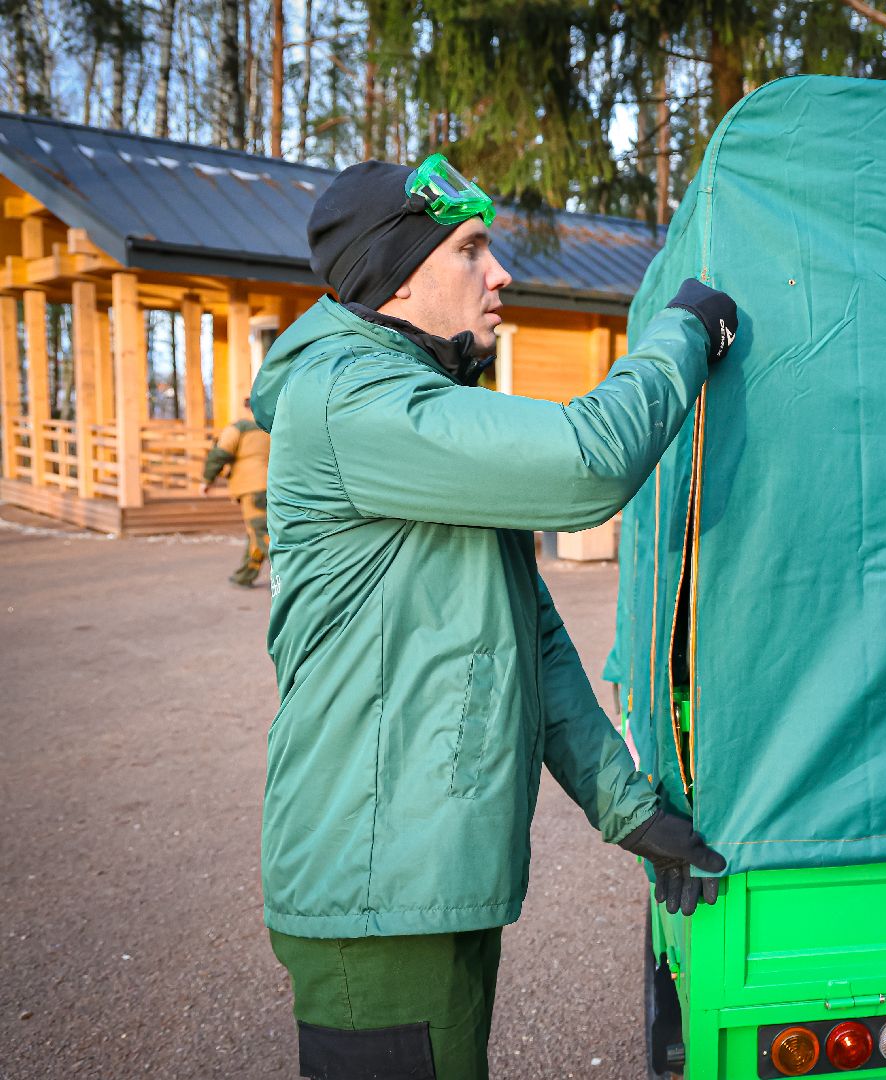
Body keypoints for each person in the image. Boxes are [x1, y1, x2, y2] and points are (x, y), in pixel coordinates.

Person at [248, 154, 737, 1080]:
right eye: (472, 249)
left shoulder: (419, 410)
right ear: (397, 277)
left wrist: (630, 813)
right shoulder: (351, 398)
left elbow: (532, 643)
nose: (500, 273)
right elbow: (588, 461)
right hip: (374, 888)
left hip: (424, 881)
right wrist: (686, 331)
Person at [199, 398, 271, 587]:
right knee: (256, 532)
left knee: (260, 532)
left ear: (247, 409)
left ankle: (290, 578)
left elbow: (220, 452)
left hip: (252, 487)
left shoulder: (240, 427)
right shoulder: (271, 428)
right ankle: (245, 576)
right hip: (272, 485)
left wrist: (207, 479)